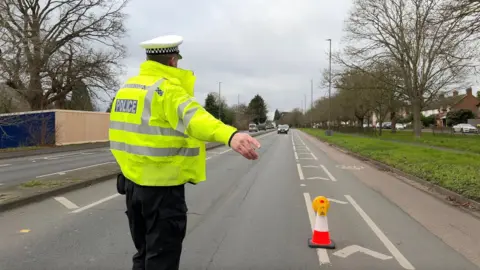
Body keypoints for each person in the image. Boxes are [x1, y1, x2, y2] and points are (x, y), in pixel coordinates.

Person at [108, 35, 261, 270]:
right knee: (161, 260)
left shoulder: (127, 89)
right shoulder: (167, 90)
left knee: (144, 253)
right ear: (172, 61)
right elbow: (196, 119)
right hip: (162, 191)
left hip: (131, 185)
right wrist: (230, 135)